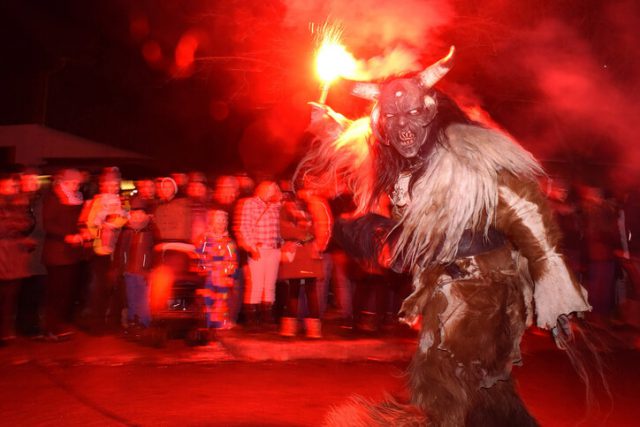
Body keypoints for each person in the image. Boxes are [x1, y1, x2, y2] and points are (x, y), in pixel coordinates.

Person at [297, 47, 591, 425]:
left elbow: (524, 209)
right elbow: (360, 145)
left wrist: (554, 286)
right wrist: (327, 124)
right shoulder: (398, 156)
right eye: (391, 117)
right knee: (488, 393)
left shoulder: (466, 152)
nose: (403, 126)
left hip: (482, 287)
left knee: (439, 382)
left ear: (431, 110)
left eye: (412, 113)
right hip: (443, 287)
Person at [278, 185, 331, 338]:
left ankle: (313, 329)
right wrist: (305, 236)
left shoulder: (314, 206)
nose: (304, 193)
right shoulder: (286, 209)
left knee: (311, 289)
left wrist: (301, 238)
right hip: (296, 253)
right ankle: (290, 327)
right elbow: (284, 230)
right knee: (293, 289)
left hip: (308, 252)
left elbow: (318, 230)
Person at [41, 168, 86, 340]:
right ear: (64, 182)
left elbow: (77, 222)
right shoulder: (54, 198)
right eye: (73, 183)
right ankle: (51, 328)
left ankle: (61, 324)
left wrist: (83, 231)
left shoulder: (77, 199)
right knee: (56, 293)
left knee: (67, 292)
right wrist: (66, 236)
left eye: (77, 184)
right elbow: (49, 224)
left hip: (72, 253)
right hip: (57, 253)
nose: (76, 187)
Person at [235, 180, 282, 330]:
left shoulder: (276, 206)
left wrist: (283, 244)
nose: (274, 192)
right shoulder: (250, 203)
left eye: (275, 190)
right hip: (259, 248)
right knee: (255, 284)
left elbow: (279, 229)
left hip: (273, 249)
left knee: (269, 285)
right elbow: (245, 226)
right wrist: (251, 247)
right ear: (262, 190)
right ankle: (251, 319)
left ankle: (266, 317)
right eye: (272, 189)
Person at [0, 171, 34, 345]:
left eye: (15, 186)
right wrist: (14, 225)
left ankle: (7, 331)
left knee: (11, 296)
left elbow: (28, 223)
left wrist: (12, 225)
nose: (13, 189)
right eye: (9, 185)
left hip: (15, 256)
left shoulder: (22, 201)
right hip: (3, 254)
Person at [112, 196, 154, 335]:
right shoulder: (127, 232)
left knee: (143, 299)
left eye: (140, 214)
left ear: (145, 215)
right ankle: (132, 321)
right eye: (134, 214)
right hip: (129, 272)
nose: (137, 217)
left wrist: (150, 269)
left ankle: (144, 323)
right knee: (131, 297)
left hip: (144, 273)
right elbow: (121, 251)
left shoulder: (150, 232)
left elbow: (154, 252)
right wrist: (121, 268)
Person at [196, 209, 237, 329]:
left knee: (222, 299)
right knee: (208, 297)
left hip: (222, 275)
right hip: (209, 274)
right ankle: (208, 322)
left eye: (223, 222)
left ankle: (220, 322)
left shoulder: (229, 242)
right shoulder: (205, 240)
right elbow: (199, 254)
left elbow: (232, 259)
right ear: (212, 224)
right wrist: (204, 267)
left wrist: (229, 275)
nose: (221, 225)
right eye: (218, 222)